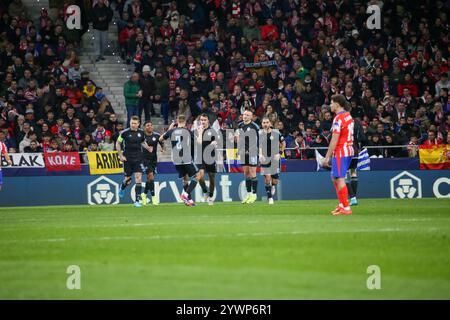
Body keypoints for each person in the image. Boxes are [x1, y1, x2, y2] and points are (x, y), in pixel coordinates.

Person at [324, 95, 354, 215]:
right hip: (348, 149)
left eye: (331, 103)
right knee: (334, 177)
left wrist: (327, 156)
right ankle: (341, 204)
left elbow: (334, 139)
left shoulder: (338, 118)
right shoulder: (348, 115)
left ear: (337, 104)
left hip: (342, 151)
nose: (330, 106)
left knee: (340, 178)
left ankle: (346, 208)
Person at [160, 115, 198, 206]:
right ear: (185, 122)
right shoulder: (188, 131)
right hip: (186, 157)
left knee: (185, 179)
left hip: (176, 159)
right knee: (197, 176)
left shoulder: (171, 131)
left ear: (177, 121)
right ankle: (185, 195)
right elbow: (196, 142)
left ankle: (189, 201)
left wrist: (163, 148)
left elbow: (160, 139)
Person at [116, 116, 152, 207]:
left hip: (138, 158)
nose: (133, 125)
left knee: (138, 177)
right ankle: (123, 186)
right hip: (127, 158)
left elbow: (143, 142)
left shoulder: (141, 133)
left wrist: (147, 147)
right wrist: (120, 155)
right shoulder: (124, 133)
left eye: (135, 123)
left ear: (138, 124)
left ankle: (137, 201)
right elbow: (118, 143)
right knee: (128, 180)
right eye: (132, 123)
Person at [259, 117, 285, 205]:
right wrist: (260, 154)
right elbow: (259, 146)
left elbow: (283, 143)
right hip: (265, 158)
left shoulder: (276, 132)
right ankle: (270, 198)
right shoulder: (260, 133)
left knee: (275, 181)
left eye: (267, 122)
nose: (265, 124)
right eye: (263, 122)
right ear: (262, 124)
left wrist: (280, 153)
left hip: (275, 158)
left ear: (270, 123)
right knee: (267, 178)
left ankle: (273, 186)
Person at [235, 109, 260, 204]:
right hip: (242, 153)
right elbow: (239, 138)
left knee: (253, 172)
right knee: (246, 173)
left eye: (247, 115)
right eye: (244, 114)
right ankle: (248, 194)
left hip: (252, 152)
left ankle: (254, 194)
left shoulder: (255, 126)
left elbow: (259, 140)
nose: (245, 116)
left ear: (251, 117)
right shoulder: (240, 125)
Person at [195, 113, 219, 205]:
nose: (203, 122)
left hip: (210, 157)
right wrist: (201, 131)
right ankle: (205, 191)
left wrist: (214, 143)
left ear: (208, 121)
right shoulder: (197, 131)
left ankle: (211, 197)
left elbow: (216, 142)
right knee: (200, 176)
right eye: (201, 120)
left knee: (212, 178)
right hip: (200, 157)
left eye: (204, 120)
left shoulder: (212, 131)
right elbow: (199, 142)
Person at [141, 120, 164, 205]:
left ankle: (144, 194)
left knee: (149, 179)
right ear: (144, 127)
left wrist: (163, 148)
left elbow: (161, 142)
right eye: (147, 125)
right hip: (144, 159)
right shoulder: (142, 136)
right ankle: (154, 197)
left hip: (154, 159)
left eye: (150, 125)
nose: (149, 127)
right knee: (150, 176)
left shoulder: (156, 135)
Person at [346, 117, 365, 206]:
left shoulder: (342, 120)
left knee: (344, 174)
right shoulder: (357, 121)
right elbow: (362, 137)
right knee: (353, 172)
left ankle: (352, 197)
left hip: (346, 149)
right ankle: (354, 198)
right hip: (355, 149)